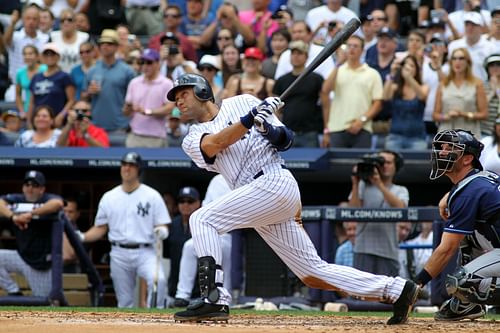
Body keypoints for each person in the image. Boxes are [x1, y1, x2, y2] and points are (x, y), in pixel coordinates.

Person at [167, 73, 420, 324]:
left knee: (201, 218)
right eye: (176, 98)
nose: (178, 101)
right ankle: (397, 289)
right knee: (311, 272)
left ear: (202, 91)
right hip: (256, 198)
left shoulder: (243, 101)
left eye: (183, 94)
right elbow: (216, 143)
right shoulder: (191, 137)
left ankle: (214, 297)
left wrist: (266, 127)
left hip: (274, 181)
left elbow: (285, 140)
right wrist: (249, 120)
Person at [415, 129, 500, 321]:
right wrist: (449, 196)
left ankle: (465, 301)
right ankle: (465, 306)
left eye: (450, 148)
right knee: (468, 239)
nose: (442, 152)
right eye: (441, 147)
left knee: (460, 282)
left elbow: (446, 249)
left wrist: (417, 283)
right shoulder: (477, 182)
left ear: (467, 159)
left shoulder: (470, 191)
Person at [78, 152, 171, 308]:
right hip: (119, 252)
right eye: (124, 164)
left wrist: (162, 231)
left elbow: (163, 224)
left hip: (145, 251)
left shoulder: (152, 195)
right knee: (124, 301)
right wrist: (81, 237)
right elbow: (100, 228)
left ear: (139, 170)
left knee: (158, 280)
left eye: (131, 165)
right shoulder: (109, 197)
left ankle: (155, 317)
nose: (127, 168)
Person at [0, 170, 64, 297]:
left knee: (45, 304)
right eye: (27, 185)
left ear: (42, 189)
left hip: (40, 264)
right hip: (21, 256)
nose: (30, 189)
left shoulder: (47, 198)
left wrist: (31, 214)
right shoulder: (18, 199)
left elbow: (58, 203)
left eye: (35, 186)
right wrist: (14, 217)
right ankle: (14, 291)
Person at [174, 175, 233, 307]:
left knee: (228, 258)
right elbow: (206, 207)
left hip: (232, 234)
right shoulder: (216, 180)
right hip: (213, 231)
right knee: (189, 246)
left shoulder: (244, 177)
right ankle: (182, 295)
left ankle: (227, 299)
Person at [348, 150, 409, 277]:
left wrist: (379, 184)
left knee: (387, 294)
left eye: (388, 162)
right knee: (361, 293)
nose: (385, 166)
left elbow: (401, 208)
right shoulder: (363, 186)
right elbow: (352, 210)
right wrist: (355, 183)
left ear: (395, 166)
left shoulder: (400, 190)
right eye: (381, 162)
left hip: (387, 250)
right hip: (363, 249)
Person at [321, 35, 383, 148]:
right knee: (337, 165)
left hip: (362, 128)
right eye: (349, 46)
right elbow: (325, 90)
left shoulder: (372, 73)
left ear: (362, 50)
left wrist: (362, 120)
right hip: (337, 127)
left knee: (361, 165)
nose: (351, 49)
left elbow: (378, 103)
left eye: (355, 46)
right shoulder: (338, 70)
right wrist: (338, 63)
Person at [82, 29, 135, 134]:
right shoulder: (92, 71)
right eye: (102, 43)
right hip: (96, 125)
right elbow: (83, 97)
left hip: (120, 125)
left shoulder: (127, 71)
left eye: (109, 43)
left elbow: (133, 99)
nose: (105, 46)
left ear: (117, 47)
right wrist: (89, 92)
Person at [272, 40, 324, 147]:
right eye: (293, 53)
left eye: (299, 53)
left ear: (306, 56)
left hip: (310, 131)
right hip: (287, 131)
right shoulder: (282, 80)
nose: (296, 56)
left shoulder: (316, 79)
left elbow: (325, 104)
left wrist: (327, 130)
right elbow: (276, 108)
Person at [433, 48, 488, 139]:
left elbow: (484, 114)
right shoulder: (443, 84)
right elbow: (435, 115)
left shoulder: (477, 84)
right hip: (447, 134)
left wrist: (465, 114)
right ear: (450, 62)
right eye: (454, 59)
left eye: (461, 58)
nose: (457, 62)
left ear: (468, 62)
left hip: (470, 134)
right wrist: (446, 116)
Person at [123, 48, 174, 148]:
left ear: (158, 63)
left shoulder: (166, 83)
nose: (145, 66)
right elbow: (126, 112)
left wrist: (148, 112)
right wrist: (128, 108)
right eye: (142, 62)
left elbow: (170, 108)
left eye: (149, 62)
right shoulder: (134, 82)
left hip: (156, 137)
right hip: (135, 135)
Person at [164, 186, 202, 306]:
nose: (185, 205)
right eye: (182, 201)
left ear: (198, 203)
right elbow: (166, 255)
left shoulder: (203, 224)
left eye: (190, 201)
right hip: (174, 288)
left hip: (199, 291)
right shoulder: (172, 224)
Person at [383, 55, 430, 150]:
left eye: (412, 66)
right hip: (395, 137)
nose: (408, 68)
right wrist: (392, 73)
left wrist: (409, 78)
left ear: (417, 69)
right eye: (406, 65)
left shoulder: (424, 87)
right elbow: (385, 97)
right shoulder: (395, 87)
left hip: (417, 138)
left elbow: (422, 96)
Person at [28, 43, 75, 128]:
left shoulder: (64, 76)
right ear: (42, 57)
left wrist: (61, 116)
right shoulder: (36, 77)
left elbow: (71, 100)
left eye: (52, 54)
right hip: (39, 121)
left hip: (56, 122)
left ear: (58, 57)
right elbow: (32, 102)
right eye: (46, 54)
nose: (49, 57)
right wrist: (29, 121)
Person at [50, 8, 90, 73]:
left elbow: (94, 57)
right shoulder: (53, 36)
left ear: (75, 22)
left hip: (80, 75)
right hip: (58, 75)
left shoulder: (85, 37)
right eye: (62, 20)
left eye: (69, 20)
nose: (66, 22)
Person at [15, 44, 47, 119]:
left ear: (37, 56)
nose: (27, 57)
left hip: (45, 109)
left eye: (30, 54)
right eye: (25, 54)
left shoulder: (45, 69)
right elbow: (18, 95)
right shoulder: (20, 72)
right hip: (28, 110)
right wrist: (22, 111)